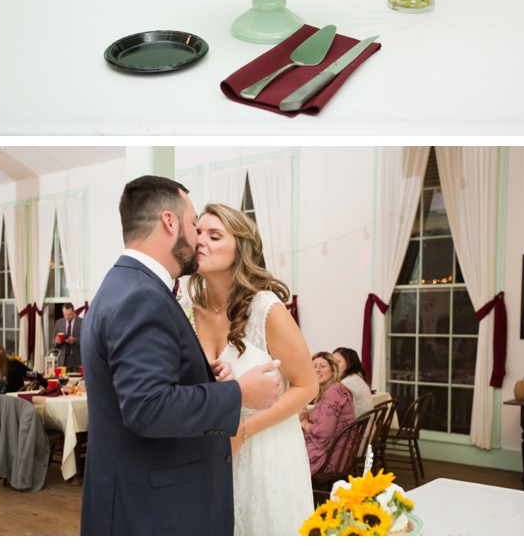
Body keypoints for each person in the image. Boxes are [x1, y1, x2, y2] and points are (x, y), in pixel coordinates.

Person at [80, 175, 282, 536]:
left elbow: (146, 385)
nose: (198, 238)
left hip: (136, 496)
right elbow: (148, 406)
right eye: (193, 225)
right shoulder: (142, 296)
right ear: (169, 223)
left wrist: (203, 377)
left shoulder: (123, 285)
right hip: (156, 509)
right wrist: (240, 393)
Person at [182, 203, 317, 536]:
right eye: (199, 232)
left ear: (240, 250)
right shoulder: (186, 311)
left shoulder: (266, 309)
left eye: (214, 236)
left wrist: (243, 431)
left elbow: (307, 386)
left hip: (265, 450)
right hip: (208, 451)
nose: (201, 241)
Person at [301, 351, 356, 474]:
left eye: (322, 366)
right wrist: (309, 418)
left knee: (283, 454)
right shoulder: (334, 388)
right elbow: (329, 422)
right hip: (337, 448)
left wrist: (304, 423)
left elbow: (323, 433)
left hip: (333, 456)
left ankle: (294, 491)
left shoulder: (334, 392)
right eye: (314, 366)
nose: (317, 370)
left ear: (333, 370)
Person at [332, 347, 373, 418]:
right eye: (331, 362)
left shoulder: (347, 384)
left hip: (356, 427)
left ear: (349, 364)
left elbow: (336, 415)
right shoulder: (356, 378)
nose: (333, 366)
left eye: (338, 362)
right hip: (365, 426)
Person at [54, 304, 83, 370]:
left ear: (74, 311)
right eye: (65, 315)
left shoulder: (81, 322)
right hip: (64, 358)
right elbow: (53, 340)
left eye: (69, 315)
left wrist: (75, 340)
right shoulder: (59, 323)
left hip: (77, 357)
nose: (67, 317)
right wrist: (56, 341)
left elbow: (86, 340)